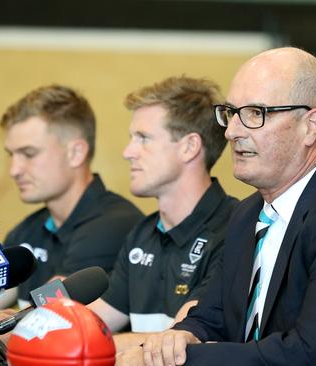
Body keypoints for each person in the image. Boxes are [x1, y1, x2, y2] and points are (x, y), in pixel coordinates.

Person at [132, 47, 316, 366]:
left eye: (255, 113)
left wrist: (184, 360)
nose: (232, 131)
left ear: (310, 125)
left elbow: (312, 354)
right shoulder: (246, 214)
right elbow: (210, 316)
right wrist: (179, 338)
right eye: (231, 112)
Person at [87, 76, 238, 352]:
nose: (127, 152)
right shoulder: (142, 234)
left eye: (143, 138)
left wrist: (87, 342)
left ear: (190, 147)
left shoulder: (235, 227)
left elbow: (179, 343)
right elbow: (91, 324)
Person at [0, 85, 144, 310]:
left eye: (28, 154)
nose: (14, 170)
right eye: (11, 155)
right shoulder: (26, 230)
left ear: (76, 153)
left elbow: (49, 311)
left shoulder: (115, 223)